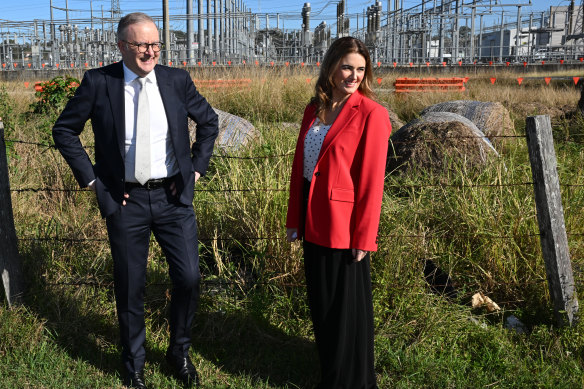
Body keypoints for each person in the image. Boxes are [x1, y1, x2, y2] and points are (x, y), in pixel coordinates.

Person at [52, 12, 218, 389]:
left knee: (189, 277)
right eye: (142, 44)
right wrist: (94, 181)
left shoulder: (176, 80)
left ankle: (179, 353)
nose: (150, 52)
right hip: (124, 200)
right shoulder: (99, 81)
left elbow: (208, 122)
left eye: (156, 44)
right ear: (122, 46)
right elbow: (64, 130)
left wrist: (195, 169)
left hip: (173, 197)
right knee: (130, 284)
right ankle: (134, 366)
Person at [285, 37, 391, 389]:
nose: (354, 75)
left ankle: (351, 381)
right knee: (322, 304)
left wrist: (365, 236)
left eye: (361, 69)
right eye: (347, 66)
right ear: (331, 67)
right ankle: (330, 372)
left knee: (346, 310)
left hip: (344, 227)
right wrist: (293, 219)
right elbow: (301, 166)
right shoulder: (313, 108)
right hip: (312, 218)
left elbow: (372, 180)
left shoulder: (372, 113)